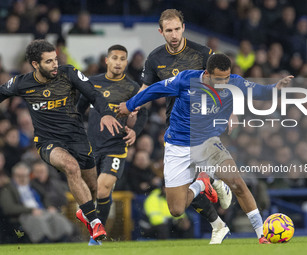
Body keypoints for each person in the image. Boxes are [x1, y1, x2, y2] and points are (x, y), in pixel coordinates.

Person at [119, 53, 294, 244]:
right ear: (207, 73)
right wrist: (130, 105)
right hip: (177, 146)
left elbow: (258, 91)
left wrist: (275, 88)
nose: (223, 82)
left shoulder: (235, 83)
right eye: (219, 78)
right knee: (177, 209)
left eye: (226, 77)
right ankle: (202, 183)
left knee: (237, 183)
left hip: (208, 143)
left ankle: (261, 234)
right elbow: (154, 90)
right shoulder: (186, 80)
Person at [0, 39, 122, 242]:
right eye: (48, 62)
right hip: (48, 142)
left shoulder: (69, 73)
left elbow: (94, 94)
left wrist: (107, 113)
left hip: (77, 138)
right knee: (71, 167)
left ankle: (85, 213)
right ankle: (94, 222)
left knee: (94, 187)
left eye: (55, 59)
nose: (55, 64)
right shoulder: (22, 82)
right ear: (35, 65)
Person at [138, 9, 232, 244]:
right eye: (168, 30)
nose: (174, 34)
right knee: (178, 204)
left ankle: (214, 189)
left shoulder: (202, 53)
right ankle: (217, 221)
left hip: (204, 123)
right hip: (176, 126)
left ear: (183, 28)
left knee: (213, 172)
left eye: (177, 29)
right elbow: (145, 90)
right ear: (161, 32)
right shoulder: (155, 59)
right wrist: (132, 109)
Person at [77, 44, 148, 245]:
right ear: (107, 60)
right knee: (92, 190)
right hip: (91, 145)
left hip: (116, 146)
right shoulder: (92, 83)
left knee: (102, 190)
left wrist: (136, 130)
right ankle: (94, 227)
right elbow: (79, 109)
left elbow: (143, 112)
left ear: (126, 62)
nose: (118, 62)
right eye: (114, 58)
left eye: (122, 59)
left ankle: (96, 236)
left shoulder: (132, 87)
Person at [0, 162, 73, 243]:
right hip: (24, 215)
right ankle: (45, 241)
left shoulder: (33, 186)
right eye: (19, 176)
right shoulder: (8, 189)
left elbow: (45, 197)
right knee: (38, 221)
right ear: (14, 176)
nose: (22, 178)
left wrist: (49, 206)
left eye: (25, 176)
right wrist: (31, 210)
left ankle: (64, 239)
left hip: (41, 211)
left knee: (57, 218)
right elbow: (9, 207)